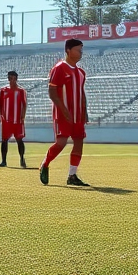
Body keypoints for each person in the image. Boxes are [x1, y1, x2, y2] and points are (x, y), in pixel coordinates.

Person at [40, 38, 89, 187]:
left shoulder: (81, 72)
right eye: (78, 49)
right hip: (63, 114)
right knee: (61, 143)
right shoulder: (59, 68)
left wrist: (85, 111)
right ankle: (45, 164)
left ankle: (72, 175)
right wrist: (63, 109)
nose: (80, 52)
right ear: (68, 50)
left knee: (79, 141)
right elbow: (52, 91)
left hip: (77, 114)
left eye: (81, 50)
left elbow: (81, 93)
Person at [0, 70, 28, 168]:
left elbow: (24, 104)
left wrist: (23, 116)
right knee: (4, 140)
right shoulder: (3, 90)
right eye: (9, 78)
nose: (11, 80)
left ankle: (22, 159)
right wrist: (1, 116)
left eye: (12, 78)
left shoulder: (21, 91)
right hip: (6, 120)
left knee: (19, 140)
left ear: (16, 78)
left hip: (17, 120)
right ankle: (3, 161)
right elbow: (0, 104)